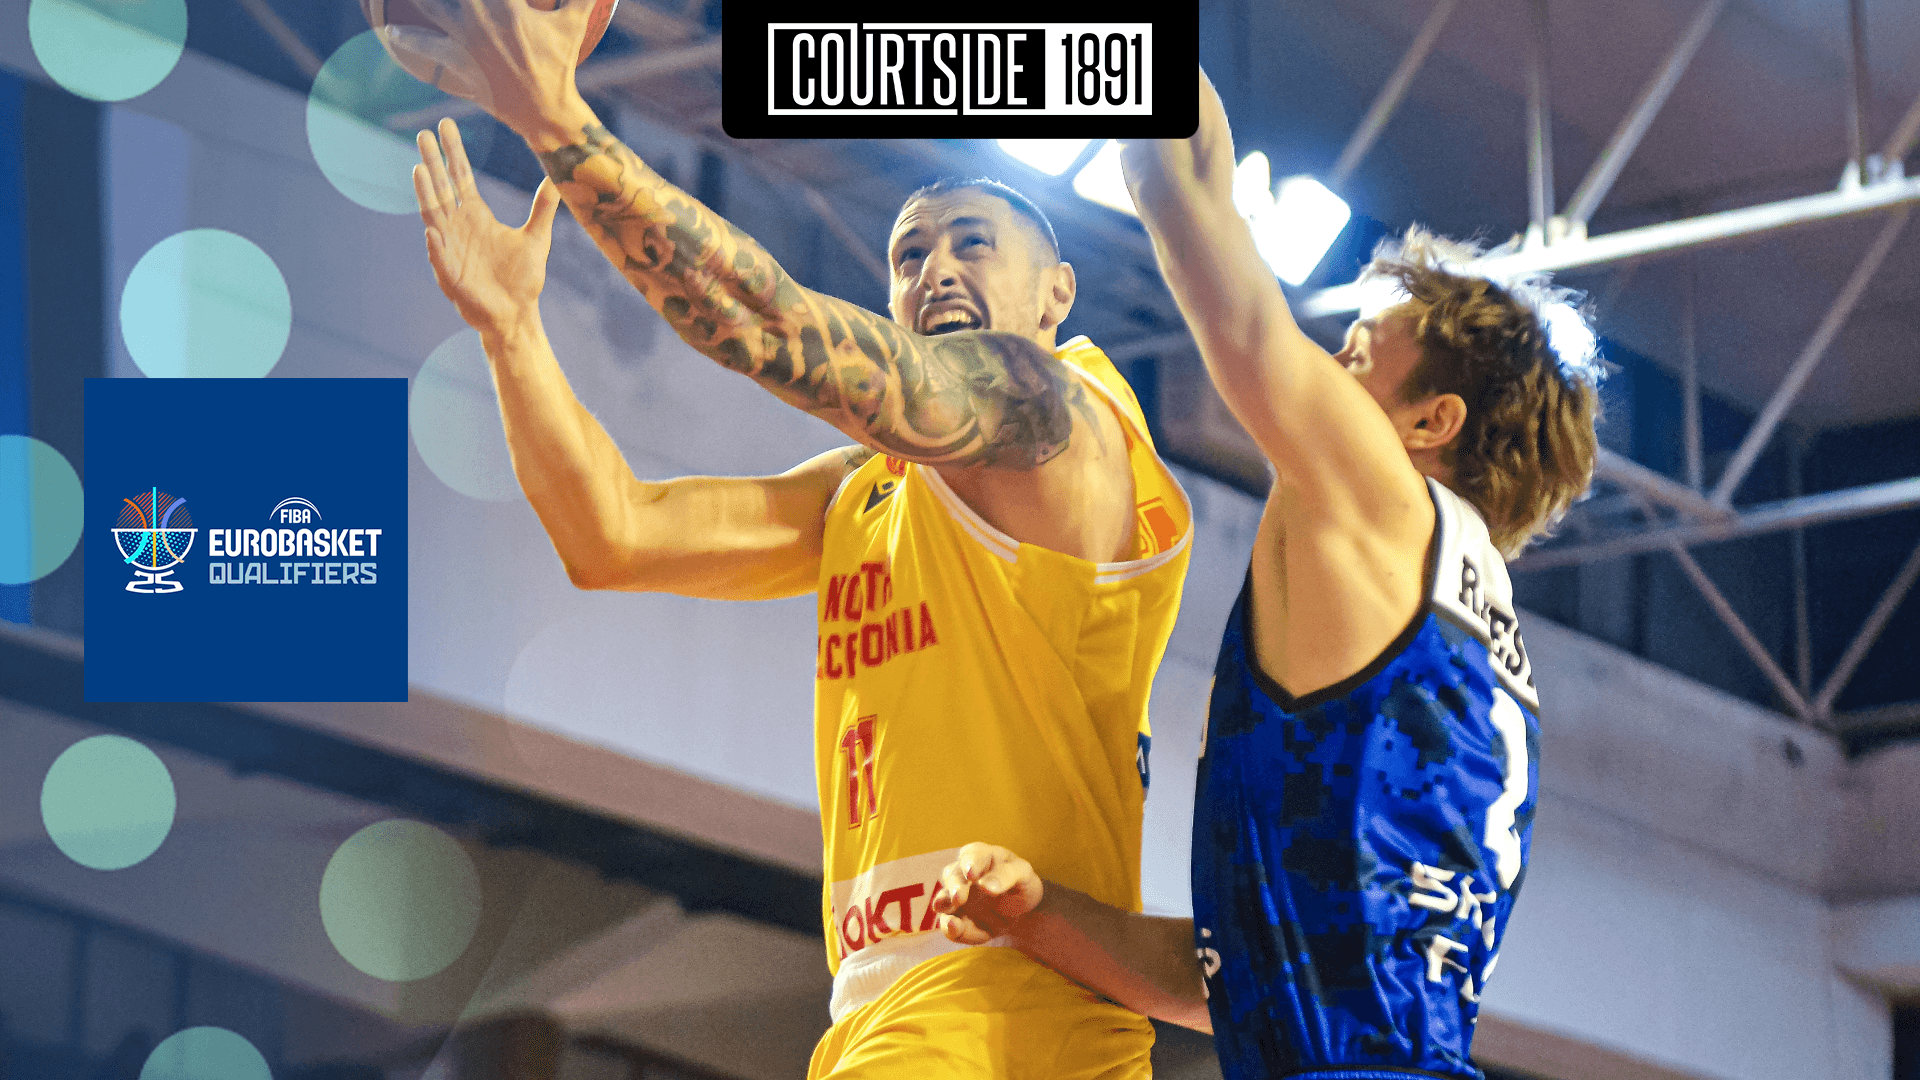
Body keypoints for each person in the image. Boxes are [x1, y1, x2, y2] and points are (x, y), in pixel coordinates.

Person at [404, 3, 1194, 1076]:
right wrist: (511, 335)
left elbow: (770, 325)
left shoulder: (1060, 420)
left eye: (973, 242)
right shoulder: (866, 490)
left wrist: (558, 122)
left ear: (1058, 292)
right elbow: (615, 536)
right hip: (882, 1018)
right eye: (909, 253)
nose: (936, 269)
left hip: (1017, 1025)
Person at [933, 68, 1601, 1080]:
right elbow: (1233, 982)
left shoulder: (1384, 501)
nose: (1318, 373)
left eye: (1353, 360)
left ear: (1431, 422)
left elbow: (1186, 207)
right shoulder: (1469, 633)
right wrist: (1039, 916)